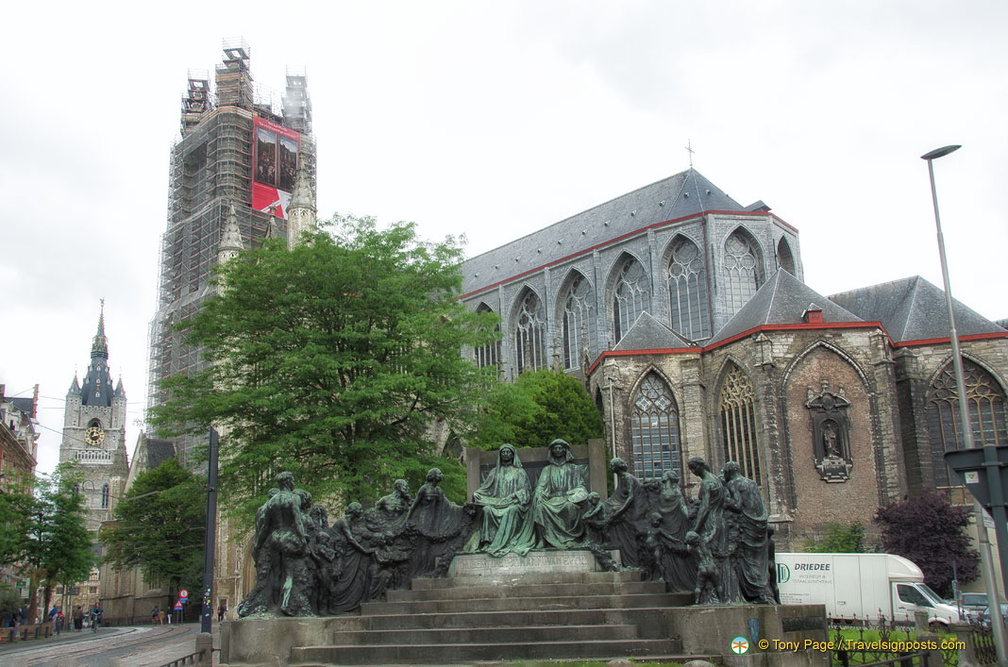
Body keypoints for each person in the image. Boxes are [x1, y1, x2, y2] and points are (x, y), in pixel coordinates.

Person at [722, 461, 774, 604]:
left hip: (746, 525)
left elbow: (737, 506)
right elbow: (760, 505)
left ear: (728, 472)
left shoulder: (733, 483)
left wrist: (724, 500)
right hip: (759, 524)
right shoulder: (751, 483)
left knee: (747, 561)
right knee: (759, 561)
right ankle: (765, 592)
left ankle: (756, 593)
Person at [471, 444, 536, 557]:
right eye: (503, 452)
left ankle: (510, 541)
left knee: (512, 510)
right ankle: (487, 542)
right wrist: (477, 494)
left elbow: (525, 490)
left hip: (513, 503)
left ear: (513, 454)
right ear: (500, 455)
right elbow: (485, 489)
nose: (505, 454)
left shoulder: (519, 472)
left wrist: (514, 496)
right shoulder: (494, 472)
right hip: (497, 502)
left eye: (508, 452)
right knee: (487, 510)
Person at [531, 439, 590, 549]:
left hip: (567, 499)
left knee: (570, 507)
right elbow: (541, 486)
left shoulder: (573, 468)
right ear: (552, 451)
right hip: (551, 500)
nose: (558, 450)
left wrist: (572, 496)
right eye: (555, 448)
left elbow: (580, 486)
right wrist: (539, 494)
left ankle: (570, 539)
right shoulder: (547, 469)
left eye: (560, 448)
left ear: (564, 451)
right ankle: (542, 539)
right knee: (540, 508)